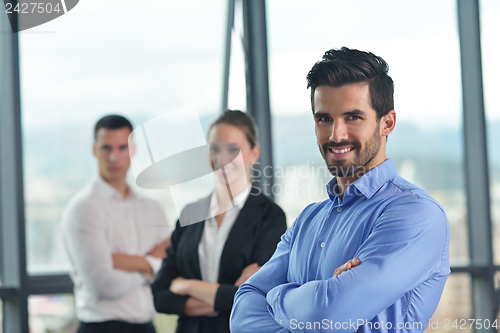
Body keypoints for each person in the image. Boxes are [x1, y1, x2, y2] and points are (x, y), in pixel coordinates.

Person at [230, 47, 450, 333]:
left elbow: (327, 313)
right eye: (324, 119)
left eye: (353, 117)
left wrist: (275, 295)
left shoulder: (417, 214)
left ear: (388, 123)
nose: (336, 134)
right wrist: (315, 300)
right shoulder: (307, 220)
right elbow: (241, 313)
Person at [151, 110, 287, 333]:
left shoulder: (270, 217)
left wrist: (187, 285)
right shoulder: (189, 214)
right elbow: (160, 296)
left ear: (254, 153)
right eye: (215, 149)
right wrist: (228, 296)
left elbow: (258, 298)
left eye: (233, 149)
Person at [61, 115, 171, 333]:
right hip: (101, 327)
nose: (114, 157)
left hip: (147, 326)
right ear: (94, 150)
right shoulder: (84, 208)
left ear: (134, 149)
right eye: (106, 148)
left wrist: (133, 263)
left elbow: (169, 271)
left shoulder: (152, 209)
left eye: (122, 148)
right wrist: (151, 263)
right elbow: (103, 286)